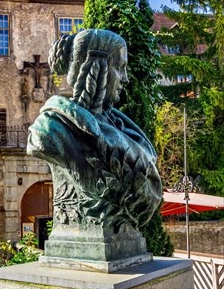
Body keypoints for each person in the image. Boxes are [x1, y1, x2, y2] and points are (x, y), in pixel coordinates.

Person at [27, 29, 162, 234]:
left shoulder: (121, 125)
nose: (125, 79)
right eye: (120, 67)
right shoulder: (51, 129)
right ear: (97, 67)